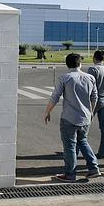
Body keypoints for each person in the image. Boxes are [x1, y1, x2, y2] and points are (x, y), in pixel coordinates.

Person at [43, 53, 100, 182]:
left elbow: (55, 97)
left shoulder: (64, 78)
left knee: (69, 146)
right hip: (85, 117)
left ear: (67, 64)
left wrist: (47, 112)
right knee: (83, 141)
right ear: (80, 64)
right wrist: (90, 112)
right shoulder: (90, 78)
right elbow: (94, 97)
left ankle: (70, 174)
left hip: (69, 118)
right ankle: (93, 168)